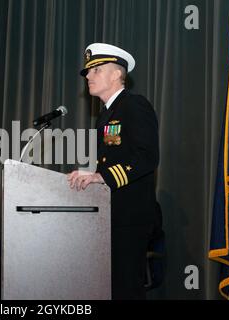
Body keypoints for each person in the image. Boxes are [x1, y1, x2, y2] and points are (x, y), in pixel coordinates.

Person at [67, 43, 160, 299]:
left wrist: (102, 177)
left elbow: (147, 157)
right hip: (109, 213)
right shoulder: (106, 115)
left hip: (130, 214)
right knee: (107, 288)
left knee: (125, 288)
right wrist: (90, 175)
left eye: (95, 70)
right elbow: (110, 159)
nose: (88, 76)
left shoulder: (134, 105)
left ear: (117, 74)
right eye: (88, 71)